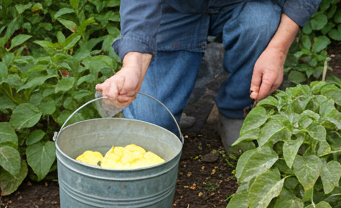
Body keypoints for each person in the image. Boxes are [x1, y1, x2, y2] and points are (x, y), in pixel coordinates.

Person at [96, 0, 322, 148]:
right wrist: (134, 64)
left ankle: (235, 110)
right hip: (176, 9)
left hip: (245, 5)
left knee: (260, 23)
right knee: (150, 127)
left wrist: (278, 51)